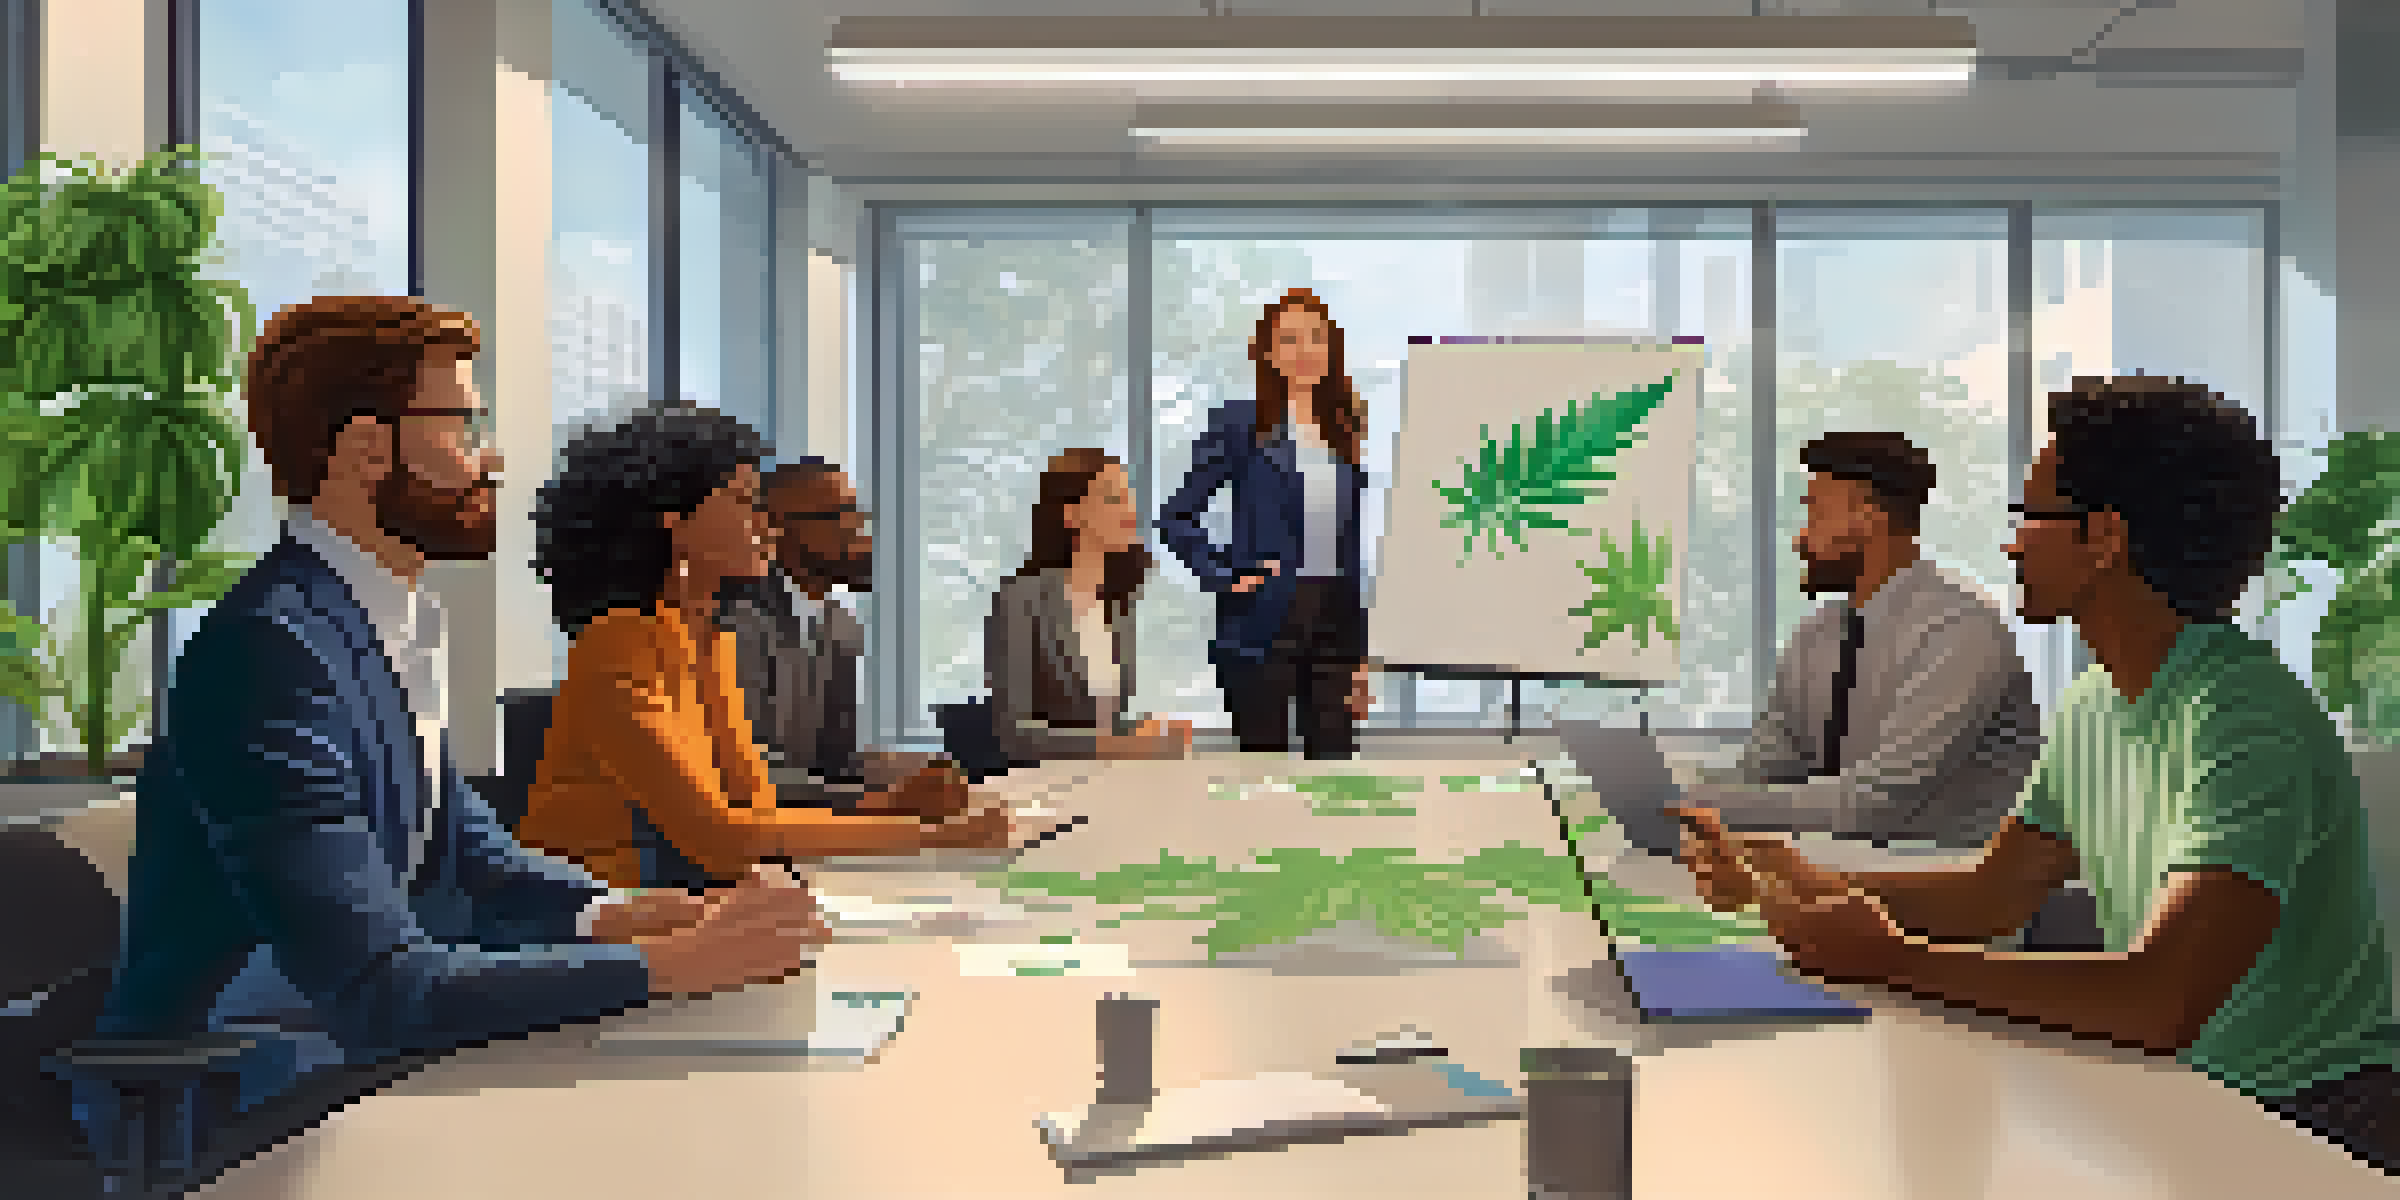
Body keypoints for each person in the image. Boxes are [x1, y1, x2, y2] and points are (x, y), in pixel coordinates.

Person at [87, 297, 827, 1133]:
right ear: (367, 448)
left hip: (353, 1059)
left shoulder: (384, 623)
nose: (492, 457)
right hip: (239, 1100)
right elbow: (379, 989)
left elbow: (471, 858)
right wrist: (677, 963)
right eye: (464, 428)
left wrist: (620, 914)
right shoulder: (272, 650)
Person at [1676, 375, 2400, 1174]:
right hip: (2181, 1096)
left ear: (2104, 538)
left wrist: (1892, 961)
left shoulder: (2241, 715)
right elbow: (1995, 895)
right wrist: (1797, 879)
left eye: (2030, 515)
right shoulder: (2096, 700)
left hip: (2306, 1120)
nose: (2012, 545)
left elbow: (2161, 999)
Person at [516, 408, 1009, 890]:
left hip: (687, 893)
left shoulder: (707, 638)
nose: (767, 526)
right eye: (745, 501)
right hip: (593, 904)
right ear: (675, 521)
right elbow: (718, 837)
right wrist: (932, 837)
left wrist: (893, 813)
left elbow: (754, 807)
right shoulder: (619, 646)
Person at [1673, 431, 2041, 849]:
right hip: (1827, 870)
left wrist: (1695, 804)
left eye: (1815, 514)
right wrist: (1679, 792)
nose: (1799, 540)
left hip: (1943, 875)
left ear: (1867, 516)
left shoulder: (1961, 633)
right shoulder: (1815, 637)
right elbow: (1764, 773)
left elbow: (1876, 803)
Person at [1157, 288, 1375, 759]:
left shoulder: (1344, 428)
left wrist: (1362, 653)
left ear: (1330, 348)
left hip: (1335, 622)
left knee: (1334, 772)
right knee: (1264, 776)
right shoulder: (1241, 423)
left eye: (1314, 337)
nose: (1304, 350)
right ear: (1269, 353)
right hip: (1262, 622)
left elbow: (1349, 545)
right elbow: (1176, 517)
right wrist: (1225, 575)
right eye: (1289, 340)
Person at [718, 458, 973, 814]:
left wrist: (915, 769)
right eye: (839, 515)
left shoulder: (839, 624)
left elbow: (837, 761)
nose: (860, 532)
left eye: (858, 515)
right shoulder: (738, 625)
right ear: (776, 529)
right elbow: (747, 775)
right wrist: (883, 802)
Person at [987, 448, 1193, 761]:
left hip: (1106, 776)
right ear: (1072, 515)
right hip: (1044, 782)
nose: (1129, 511)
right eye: (1113, 499)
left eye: (1129, 498)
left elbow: (1097, 721)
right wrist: (1127, 746)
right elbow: (1014, 734)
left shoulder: (1117, 606)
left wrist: (1147, 730)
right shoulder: (1020, 599)